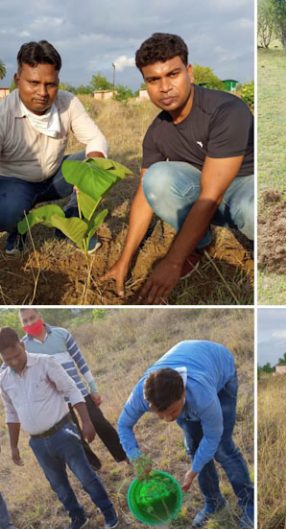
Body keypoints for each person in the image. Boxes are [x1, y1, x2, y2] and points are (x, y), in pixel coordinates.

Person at [101, 33, 254, 304]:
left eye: (173, 74)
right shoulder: (156, 133)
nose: (164, 87)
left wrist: (172, 261)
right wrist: (123, 261)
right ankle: (201, 243)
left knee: (253, 209)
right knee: (156, 179)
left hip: (242, 187)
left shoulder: (227, 110)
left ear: (189, 72)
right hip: (207, 195)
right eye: (153, 80)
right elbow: (144, 196)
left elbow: (213, 194)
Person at [117, 340, 254, 529]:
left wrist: (194, 470)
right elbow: (123, 425)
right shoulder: (142, 396)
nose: (167, 419)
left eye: (173, 412)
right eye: (160, 414)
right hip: (189, 359)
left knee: (222, 447)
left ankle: (250, 503)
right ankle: (214, 502)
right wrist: (137, 458)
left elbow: (212, 436)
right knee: (194, 446)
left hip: (220, 367)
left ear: (182, 395)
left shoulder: (202, 395)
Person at [0, 327, 118, 529]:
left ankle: (108, 511)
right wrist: (14, 446)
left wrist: (86, 421)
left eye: (17, 354)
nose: (15, 361)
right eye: (8, 359)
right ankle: (77, 517)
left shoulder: (45, 363)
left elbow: (71, 389)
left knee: (86, 476)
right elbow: (11, 413)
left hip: (63, 432)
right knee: (58, 485)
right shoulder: (4, 379)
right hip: (37, 443)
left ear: (23, 345)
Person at [0, 40, 107, 255]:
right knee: (7, 210)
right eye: (33, 82)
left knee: (99, 166)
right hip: (15, 183)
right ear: (17, 80)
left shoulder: (67, 102)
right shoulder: (3, 114)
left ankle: (72, 220)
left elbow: (96, 140)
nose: (43, 92)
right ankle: (19, 228)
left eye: (50, 84)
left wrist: (92, 169)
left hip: (54, 177)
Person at [19, 308, 127, 470]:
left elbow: (80, 362)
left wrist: (93, 388)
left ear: (40, 317)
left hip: (79, 392)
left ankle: (124, 456)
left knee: (100, 423)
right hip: (57, 401)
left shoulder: (62, 334)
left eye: (32, 318)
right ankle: (94, 467)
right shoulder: (24, 347)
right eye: (25, 321)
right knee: (74, 435)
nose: (30, 323)